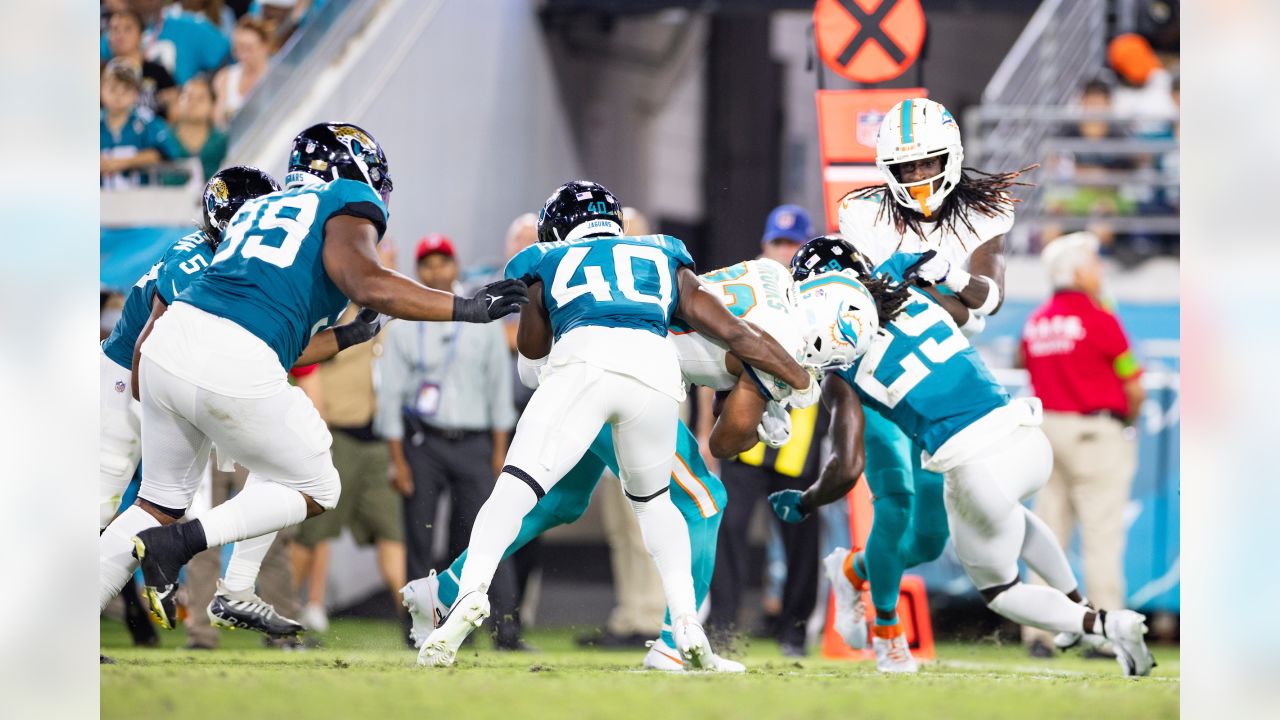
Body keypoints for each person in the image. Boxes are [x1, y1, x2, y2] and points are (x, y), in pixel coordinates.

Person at [115, 122, 529, 633]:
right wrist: (467, 307)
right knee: (319, 484)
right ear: (352, 167)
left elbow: (273, 336)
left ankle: (203, 593)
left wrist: (351, 336)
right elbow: (368, 281)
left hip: (171, 348)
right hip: (233, 357)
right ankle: (182, 545)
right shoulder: (343, 197)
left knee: (157, 504)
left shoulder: (256, 210)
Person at [404, 249, 884, 671]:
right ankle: (678, 642)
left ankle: (443, 592)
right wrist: (771, 395)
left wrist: (758, 395)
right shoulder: (788, 343)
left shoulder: (771, 275)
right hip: (635, 377)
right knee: (704, 501)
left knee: (560, 501)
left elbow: (711, 347)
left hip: (580, 354)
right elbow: (724, 443)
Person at [769, 244, 1156, 678]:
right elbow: (969, 306)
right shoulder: (907, 289)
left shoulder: (841, 367)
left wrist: (803, 502)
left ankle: (1103, 624)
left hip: (974, 464)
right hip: (1026, 437)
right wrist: (951, 272)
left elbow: (844, 468)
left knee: (1001, 590)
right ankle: (1079, 607)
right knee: (1008, 522)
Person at [830, 98, 1027, 671]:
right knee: (893, 508)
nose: (918, 177)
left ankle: (849, 571)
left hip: (939, 382)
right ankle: (889, 633)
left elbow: (986, 299)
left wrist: (944, 278)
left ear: (953, 157)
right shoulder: (863, 214)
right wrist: (946, 296)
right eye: (906, 166)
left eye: (928, 162)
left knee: (927, 541)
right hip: (878, 375)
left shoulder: (984, 213)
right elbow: (883, 303)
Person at [99, 166, 298, 657]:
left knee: (156, 513)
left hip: (149, 387)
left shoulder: (233, 265)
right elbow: (153, 343)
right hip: (125, 383)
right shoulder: (193, 258)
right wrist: (167, 415)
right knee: (98, 506)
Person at [378, 234, 524, 649]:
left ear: (456, 266)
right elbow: (390, 394)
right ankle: (420, 627)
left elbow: (499, 388)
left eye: (444, 262)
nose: (437, 271)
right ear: (418, 270)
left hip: (476, 443)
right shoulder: (406, 319)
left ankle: (502, 629)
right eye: (428, 264)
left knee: (486, 535)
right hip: (423, 443)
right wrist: (397, 459)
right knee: (419, 538)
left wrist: (500, 452)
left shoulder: (480, 317)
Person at [1019, 232, 1146, 658]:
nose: (1100, 270)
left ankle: (1039, 634)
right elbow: (1133, 382)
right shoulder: (1100, 319)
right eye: (1093, 263)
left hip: (1047, 436)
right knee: (1102, 537)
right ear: (1076, 271)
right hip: (1096, 435)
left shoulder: (1035, 322)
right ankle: (1105, 633)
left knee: (1046, 536)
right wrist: (1129, 419)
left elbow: (1028, 369)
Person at [290, 302, 406, 636]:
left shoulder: (393, 311)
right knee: (311, 533)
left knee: (392, 532)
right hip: (335, 435)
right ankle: (282, 616)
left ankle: (412, 625)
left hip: (381, 439)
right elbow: (303, 364)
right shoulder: (330, 311)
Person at [100, 0, 231, 86]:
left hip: (176, 115)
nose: (120, 34)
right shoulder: (112, 36)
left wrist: (202, 88)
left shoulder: (191, 26)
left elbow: (229, 57)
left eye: (128, 29)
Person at [100, 61, 186, 189]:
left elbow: (166, 152)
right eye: (112, 88)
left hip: (140, 201)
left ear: (136, 94)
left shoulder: (147, 121)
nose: (118, 95)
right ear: (101, 89)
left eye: (126, 89)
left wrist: (123, 163)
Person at [105, 9, 177, 118]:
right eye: (114, 29)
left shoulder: (159, 73)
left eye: (127, 29)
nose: (120, 35)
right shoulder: (101, 73)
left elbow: (174, 112)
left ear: (141, 35)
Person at [213, 16, 272, 127]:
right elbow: (218, 121)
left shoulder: (277, 75)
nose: (243, 55)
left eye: (249, 48)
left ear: (265, 46)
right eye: (239, 49)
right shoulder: (225, 77)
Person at [169, 75, 229, 181]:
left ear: (212, 106)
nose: (193, 103)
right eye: (188, 96)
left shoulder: (222, 141)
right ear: (178, 101)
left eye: (200, 99)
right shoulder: (164, 138)